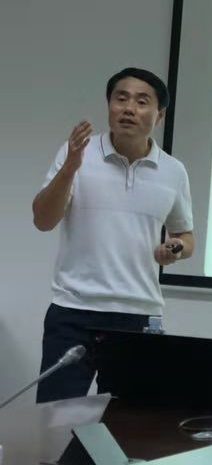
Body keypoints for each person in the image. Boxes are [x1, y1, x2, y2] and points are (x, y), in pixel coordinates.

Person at [32, 68, 194, 403]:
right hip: (73, 311)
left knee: (129, 421)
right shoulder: (75, 154)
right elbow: (43, 220)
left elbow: (185, 236)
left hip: (138, 315)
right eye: (121, 98)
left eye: (142, 101)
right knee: (54, 418)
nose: (129, 108)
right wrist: (70, 168)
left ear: (159, 116)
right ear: (109, 106)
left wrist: (176, 247)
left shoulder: (173, 171)